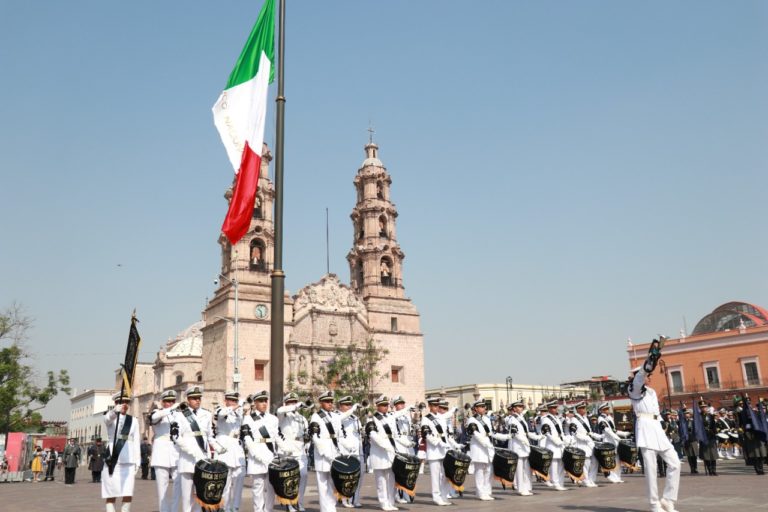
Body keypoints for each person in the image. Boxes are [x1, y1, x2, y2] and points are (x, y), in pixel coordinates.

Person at [627, 339, 681, 512]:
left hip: (657, 428)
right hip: (645, 429)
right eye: (648, 376)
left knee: (675, 463)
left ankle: (668, 499)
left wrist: (665, 427)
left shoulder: (651, 392)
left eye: (649, 376)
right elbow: (640, 377)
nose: (649, 378)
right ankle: (654, 504)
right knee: (651, 470)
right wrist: (650, 360)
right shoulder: (634, 390)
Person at [175, 385, 225, 512]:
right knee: (187, 496)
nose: (197, 400)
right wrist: (192, 452)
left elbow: (210, 437)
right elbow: (176, 437)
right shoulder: (180, 415)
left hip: (203, 460)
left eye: (199, 398)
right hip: (187, 460)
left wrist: (219, 449)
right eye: (193, 398)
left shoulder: (206, 414)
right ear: (188, 399)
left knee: (201, 494)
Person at [310, 391, 359, 512]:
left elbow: (338, 436)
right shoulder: (316, 416)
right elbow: (315, 437)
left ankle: (331, 508)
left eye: (331, 401)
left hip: (334, 453)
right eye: (327, 401)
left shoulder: (334, 416)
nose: (330, 403)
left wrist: (348, 447)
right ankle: (324, 509)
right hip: (323, 454)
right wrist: (324, 452)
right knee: (323, 485)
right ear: (321, 402)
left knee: (333, 483)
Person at [102, 392, 141, 512]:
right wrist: (114, 411)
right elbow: (107, 419)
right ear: (115, 403)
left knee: (128, 491)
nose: (124, 404)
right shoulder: (110, 416)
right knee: (110, 491)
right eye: (121, 402)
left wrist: (137, 460)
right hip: (113, 459)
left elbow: (136, 441)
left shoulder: (133, 420)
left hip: (128, 459)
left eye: (126, 402)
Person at [241, 390, 278, 512]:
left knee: (271, 486)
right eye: (261, 401)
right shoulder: (248, 419)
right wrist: (256, 454)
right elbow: (247, 439)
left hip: (270, 453)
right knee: (258, 487)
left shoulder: (273, 418)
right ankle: (258, 510)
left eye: (265, 401)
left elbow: (276, 438)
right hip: (257, 454)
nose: (264, 403)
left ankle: (268, 509)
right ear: (255, 403)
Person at [466, 399, 508, 500]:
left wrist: (507, 436)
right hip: (479, 449)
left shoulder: (487, 419)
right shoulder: (472, 420)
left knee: (489, 471)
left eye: (484, 406)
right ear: (476, 408)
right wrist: (486, 443)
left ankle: (487, 492)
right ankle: (480, 493)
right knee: (480, 472)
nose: (484, 408)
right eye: (481, 406)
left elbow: (492, 433)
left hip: (488, 449)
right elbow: (476, 435)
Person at [149, 389, 182, 512]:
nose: (171, 403)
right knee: (161, 486)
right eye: (168, 401)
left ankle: (174, 509)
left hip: (176, 450)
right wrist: (171, 409)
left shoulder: (179, 414)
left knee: (178, 482)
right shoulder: (157, 412)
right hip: (161, 451)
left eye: (173, 401)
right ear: (163, 402)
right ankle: (164, 510)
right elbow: (153, 418)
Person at [215, 390, 246, 512]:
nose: (233, 403)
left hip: (237, 447)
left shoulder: (238, 414)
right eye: (231, 400)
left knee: (239, 477)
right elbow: (221, 414)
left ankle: (235, 507)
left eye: (235, 401)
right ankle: (225, 507)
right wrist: (237, 406)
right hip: (225, 446)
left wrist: (240, 409)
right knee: (226, 481)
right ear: (226, 401)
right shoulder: (220, 409)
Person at [420, 396, 454, 505]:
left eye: (437, 405)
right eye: (434, 405)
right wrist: (438, 442)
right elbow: (426, 435)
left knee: (445, 475)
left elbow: (445, 433)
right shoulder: (426, 419)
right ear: (429, 406)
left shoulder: (441, 417)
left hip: (443, 451)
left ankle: (444, 496)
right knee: (435, 476)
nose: (436, 407)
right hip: (434, 451)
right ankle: (436, 497)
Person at [366, 395, 398, 511]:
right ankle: (383, 503)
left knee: (391, 479)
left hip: (390, 454)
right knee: (381, 481)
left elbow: (394, 435)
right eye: (383, 405)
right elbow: (373, 435)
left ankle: (391, 502)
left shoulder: (390, 418)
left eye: (386, 405)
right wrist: (386, 446)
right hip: (379, 453)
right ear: (377, 406)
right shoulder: (371, 419)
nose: (385, 407)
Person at [505, 399, 542, 496]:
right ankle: (521, 489)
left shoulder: (521, 418)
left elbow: (526, 433)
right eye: (518, 407)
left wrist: (538, 437)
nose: (520, 408)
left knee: (526, 469)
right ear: (514, 408)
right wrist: (526, 442)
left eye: (521, 406)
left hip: (524, 447)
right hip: (518, 447)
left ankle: (527, 487)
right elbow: (516, 434)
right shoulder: (512, 419)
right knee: (519, 469)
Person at [337, 395, 364, 509]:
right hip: (345, 451)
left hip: (357, 450)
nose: (349, 407)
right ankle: (344, 499)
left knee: (359, 476)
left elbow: (358, 433)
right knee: (346, 477)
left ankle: (355, 499)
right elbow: (339, 435)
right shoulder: (337, 416)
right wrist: (353, 409)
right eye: (346, 405)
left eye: (350, 405)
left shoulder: (355, 418)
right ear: (340, 406)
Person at [596, 402, 629, 483]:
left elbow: (614, 430)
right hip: (608, 441)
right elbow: (607, 431)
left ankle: (618, 476)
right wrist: (618, 438)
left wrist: (625, 434)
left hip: (614, 442)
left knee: (617, 460)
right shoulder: (600, 419)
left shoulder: (609, 418)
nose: (607, 410)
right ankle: (611, 476)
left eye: (607, 408)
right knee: (610, 460)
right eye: (605, 409)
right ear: (601, 410)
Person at [568, 401, 598, 488]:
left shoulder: (585, 418)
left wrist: (595, 437)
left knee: (594, 462)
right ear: (578, 409)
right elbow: (574, 433)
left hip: (589, 443)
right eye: (583, 408)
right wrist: (586, 438)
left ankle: (591, 479)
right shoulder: (574, 419)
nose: (585, 409)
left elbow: (589, 431)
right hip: (581, 444)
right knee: (586, 463)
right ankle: (585, 480)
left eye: (585, 408)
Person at [540, 400, 568, 491]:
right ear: (549, 409)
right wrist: (556, 441)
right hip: (552, 445)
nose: (555, 409)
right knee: (554, 466)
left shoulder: (557, 418)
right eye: (553, 408)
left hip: (560, 446)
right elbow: (547, 433)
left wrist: (565, 440)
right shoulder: (546, 419)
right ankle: (555, 483)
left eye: (555, 407)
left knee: (561, 465)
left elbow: (561, 432)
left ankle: (560, 482)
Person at [697, 400, 718, 476]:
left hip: (711, 436)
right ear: (700, 408)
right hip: (704, 436)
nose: (704, 408)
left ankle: (714, 470)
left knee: (713, 454)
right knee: (706, 455)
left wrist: (714, 432)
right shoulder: (698, 417)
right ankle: (709, 470)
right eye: (702, 407)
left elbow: (714, 425)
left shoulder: (710, 416)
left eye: (705, 407)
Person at [681, 408, 699, 474]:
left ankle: (695, 468)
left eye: (688, 413)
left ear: (690, 414)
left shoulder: (693, 421)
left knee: (694, 455)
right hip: (687, 440)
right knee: (689, 456)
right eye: (685, 414)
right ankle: (692, 468)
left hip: (693, 439)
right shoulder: (683, 422)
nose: (687, 415)